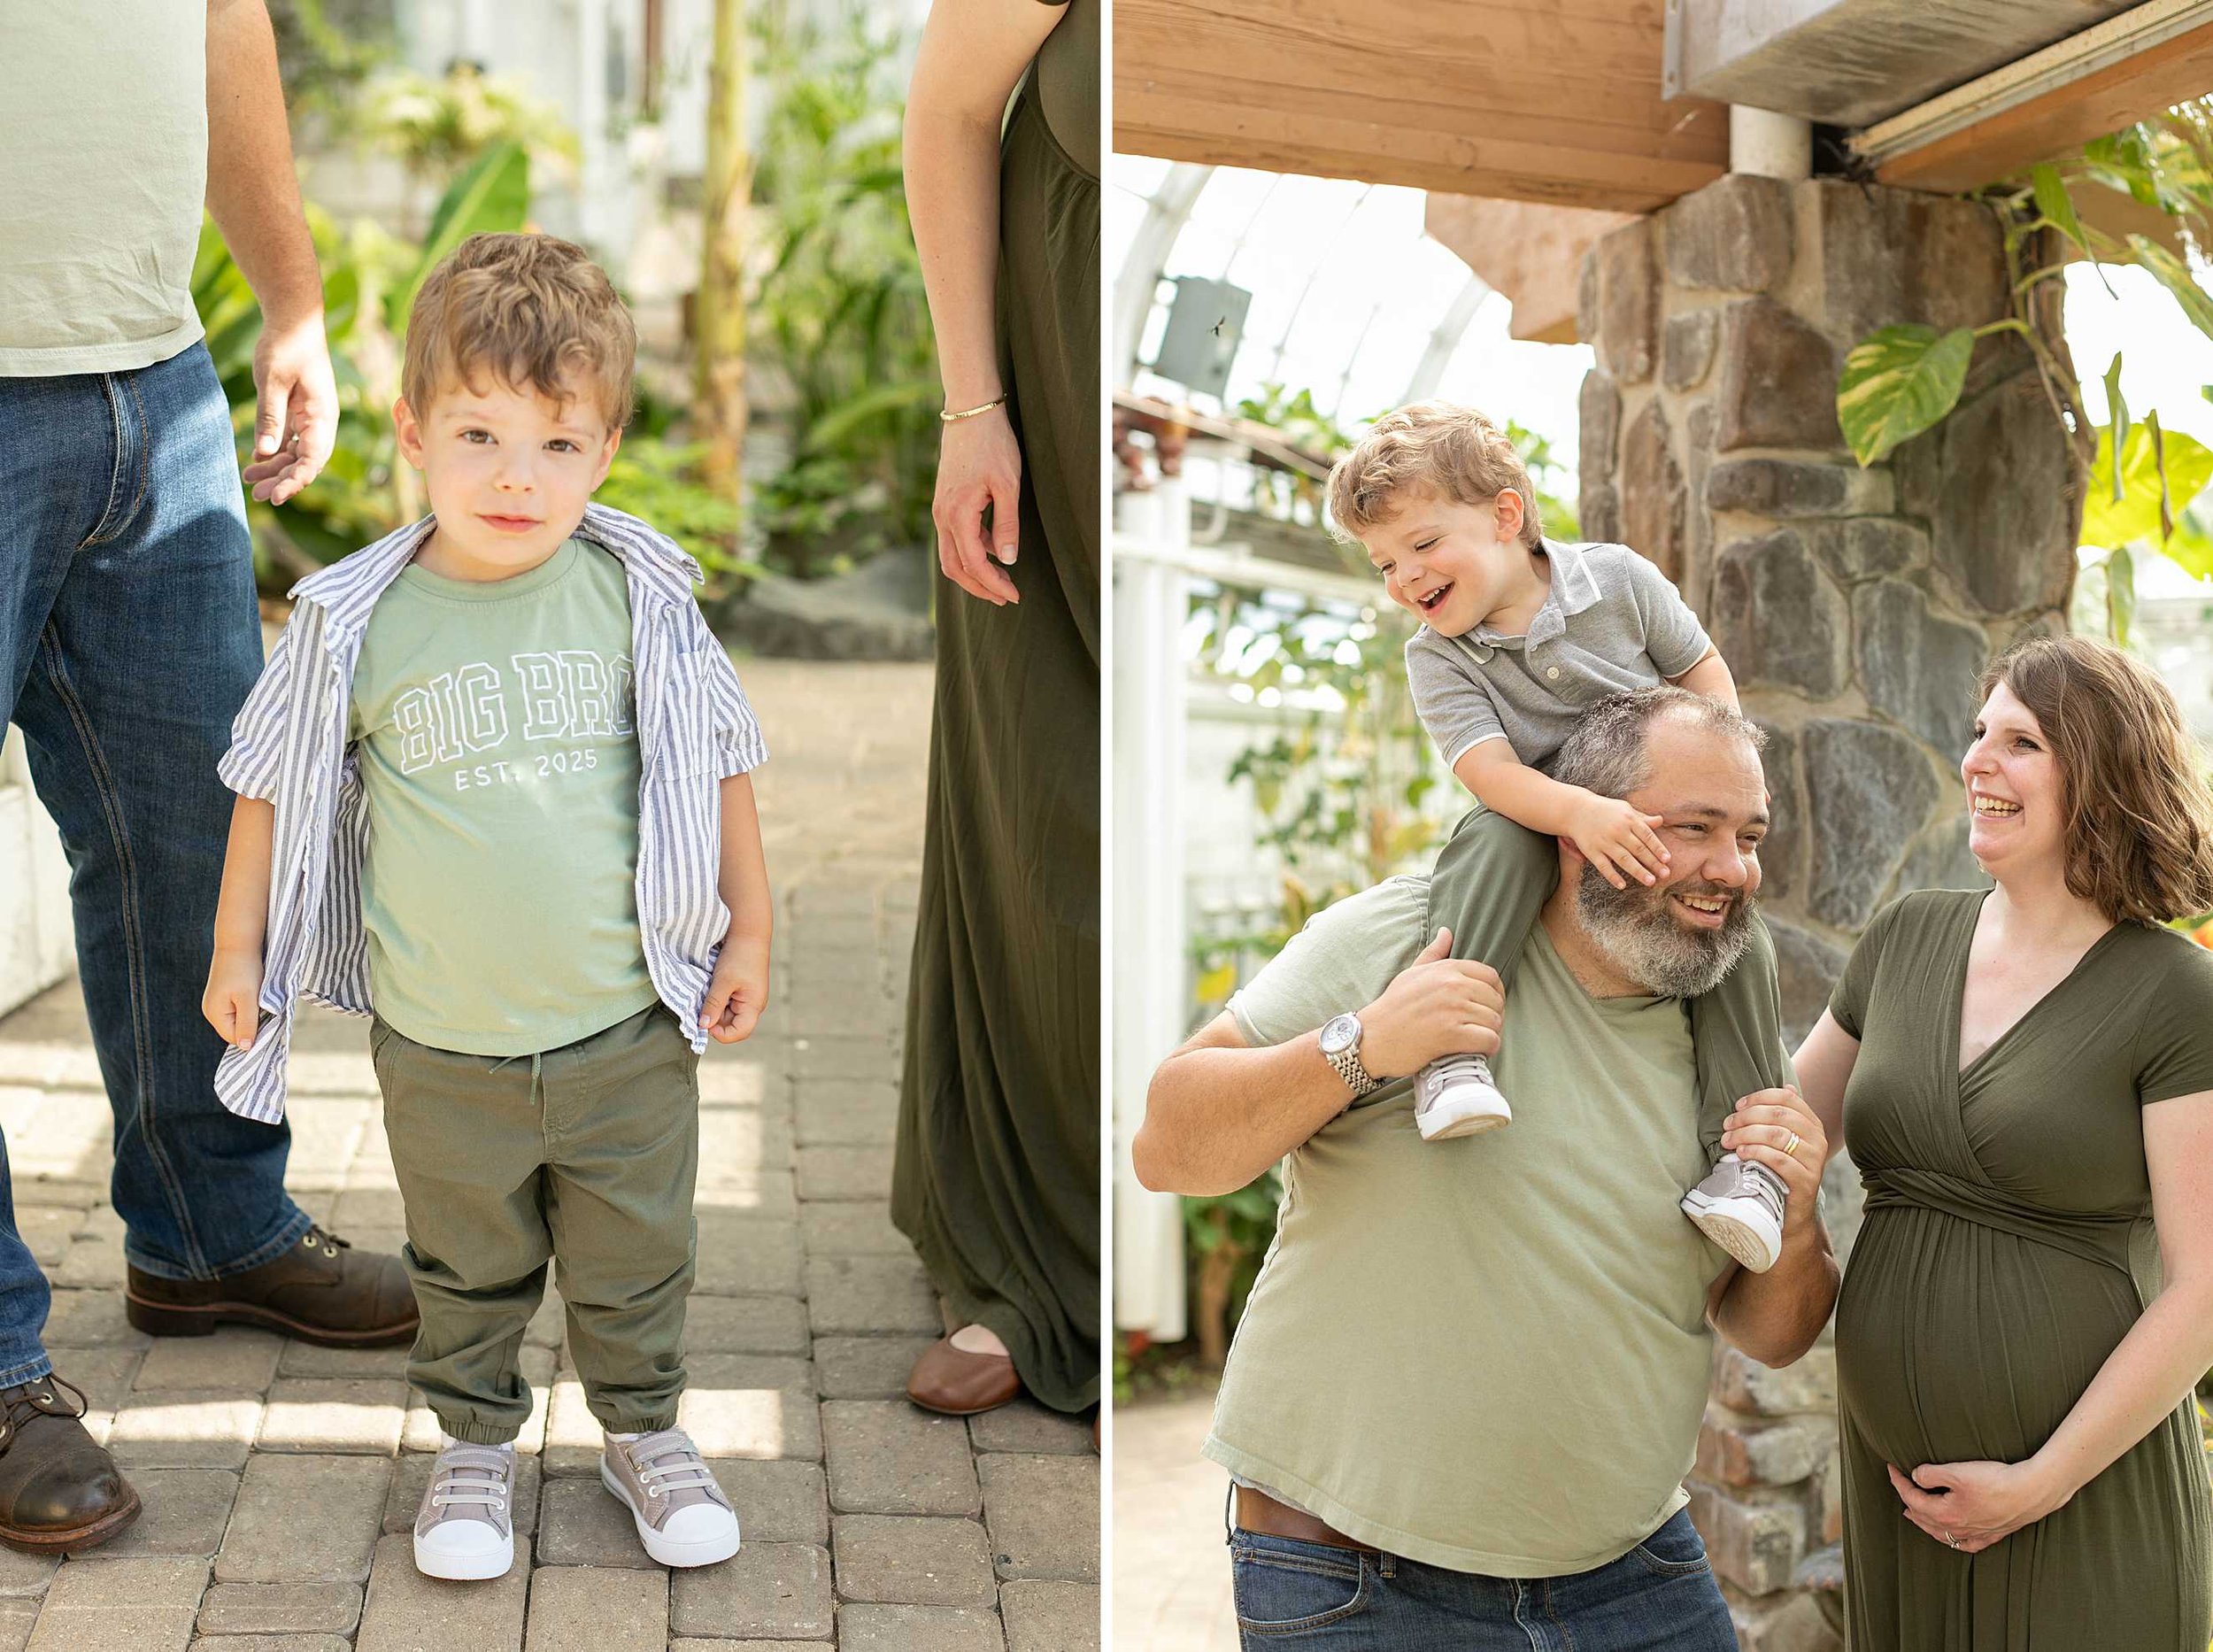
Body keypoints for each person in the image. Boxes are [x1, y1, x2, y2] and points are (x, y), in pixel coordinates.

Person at [201, 233, 773, 1581]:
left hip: (623, 1027)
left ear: (607, 451)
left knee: (639, 1251)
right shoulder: (360, 621)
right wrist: (239, 947)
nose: (517, 476)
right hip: (442, 1035)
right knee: (465, 1261)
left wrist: (747, 928)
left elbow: (721, 756)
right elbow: (268, 786)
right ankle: (472, 1444)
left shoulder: (633, 599)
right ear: (411, 433)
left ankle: (644, 1428)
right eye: (479, 434)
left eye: (558, 445)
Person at [1137, 687, 1838, 1648]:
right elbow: (1167, 1146)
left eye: (1749, 837)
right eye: (1693, 829)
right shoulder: (1411, 935)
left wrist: (1797, 1222)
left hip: (1633, 1576)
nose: (1732, 870)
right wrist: (1364, 1046)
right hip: (1358, 1579)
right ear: (1577, 824)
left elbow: (1771, 1332)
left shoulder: (1722, 1029)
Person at [0, 0, 414, 1552]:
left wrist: (286, 296)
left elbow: (217, 19)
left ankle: (211, 1225)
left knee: (199, 840)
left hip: (152, 380)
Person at [1791, 636, 2213, 1649]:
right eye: (1979, 733)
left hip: (2081, 1501)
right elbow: (1779, 1139)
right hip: (1902, 1507)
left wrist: (2037, 1484)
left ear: (2102, 771)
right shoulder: (1905, 937)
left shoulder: (2174, 993)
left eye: (2019, 741)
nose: (1977, 760)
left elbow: (2205, 1286)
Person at [1329, 401, 1793, 1272]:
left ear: (1506, 517)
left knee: (1742, 947)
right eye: (1384, 563)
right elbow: (1489, 772)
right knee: (1492, 842)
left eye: (1423, 545)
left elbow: (1702, 674)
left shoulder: (1616, 581)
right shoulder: (1438, 657)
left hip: (1659, 820)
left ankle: (1744, 1166)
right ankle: (1452, 1056)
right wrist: (1576, 815)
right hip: (1544, 819)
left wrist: (1722, 791)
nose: (1405, 577)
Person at [894, 0, 1099, 1421]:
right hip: (1044, 356)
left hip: (1140, 387)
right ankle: (1018, 1249)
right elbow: (951, 105)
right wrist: (977, 407)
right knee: (1039, 796)